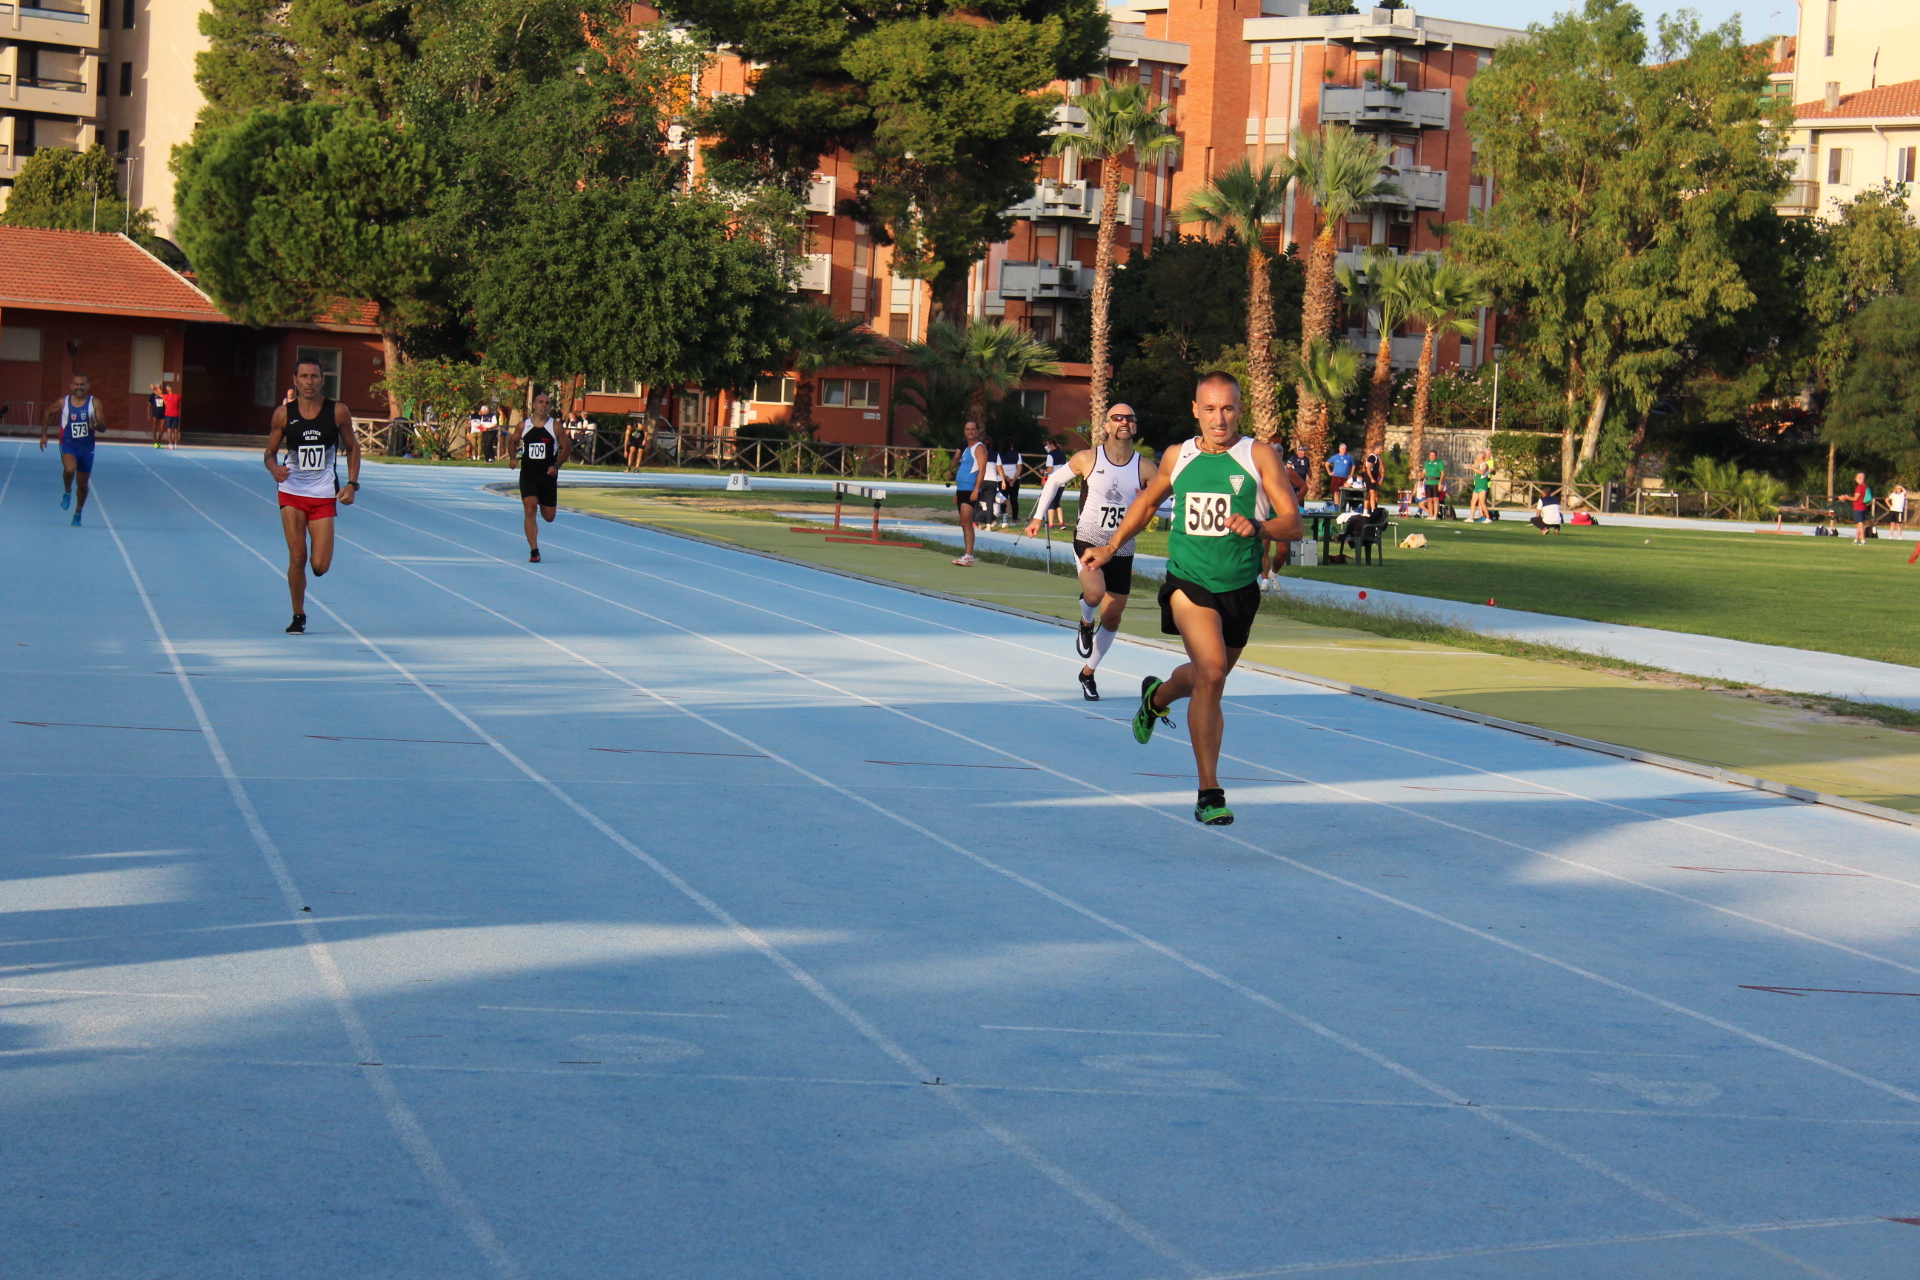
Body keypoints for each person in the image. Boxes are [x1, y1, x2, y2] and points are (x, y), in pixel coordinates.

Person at [1082, 373, 1303, 826]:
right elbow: (1147, 504)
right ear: (1195, 411)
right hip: (1188, 582)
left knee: (1206, 678)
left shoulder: (1258, 455)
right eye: (1210, 409)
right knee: (1213, 672)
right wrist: (1109, 547)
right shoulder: (1177, 455)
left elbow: (1293, 524)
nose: (1219, 419)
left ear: (1240, 410)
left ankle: (1156, 697)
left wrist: (1259, 527)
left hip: (1239, 588)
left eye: (1228, 409)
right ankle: (1209, 793)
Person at [1027, 404, 1156, 701]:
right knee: (1095, 594)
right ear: (1107, 425)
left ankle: (1088, 672)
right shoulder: (1088, 458)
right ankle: (1086, 622)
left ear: (1135, 426)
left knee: (1112, 619)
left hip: (1122, 546)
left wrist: (1149, 499)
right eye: (1117, 418)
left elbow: (1163, 505)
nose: (1124, 422)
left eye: (1129, 418)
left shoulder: (1146, 468)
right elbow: (1055, 480)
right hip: (1088, 537)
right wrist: (1037, 517)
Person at [265, 356, 360, 634]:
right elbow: (269, 452)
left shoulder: (337, 411)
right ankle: (298, 615)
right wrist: (274, 468)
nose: (309, 382)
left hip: (322, 494)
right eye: (304, 377)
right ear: (295, 380)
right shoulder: (283, 414)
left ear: (322, 379)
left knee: (319, 565)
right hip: (292, 491)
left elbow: (353, 447)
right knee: (297, 556)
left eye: (314, 376)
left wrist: (352, 484)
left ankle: (313, 573)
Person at [507, 390, 570, 563]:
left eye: (547, 403)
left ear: (550, 408)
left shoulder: (555, 426)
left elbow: (566, 448)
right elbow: (512, 441)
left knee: (549, 517)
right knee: (530, 509)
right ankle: (534, 551)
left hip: (547, 476)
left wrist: (556, 465)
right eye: (540, 402)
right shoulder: (523, 425)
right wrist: (513, 458)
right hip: (528, 474)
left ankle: (541, 499)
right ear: (534, 405)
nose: (543, 405)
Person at [41, 374, 101, 526]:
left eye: (82, 384)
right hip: (68, 444)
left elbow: (103, 426)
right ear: (71, 386)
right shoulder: (64, 402)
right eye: (76, 384)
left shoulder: (94, 403)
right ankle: (67, 490)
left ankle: (78, 512)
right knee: (69, 468)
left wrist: (95, 424)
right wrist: (44, 435)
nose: (79, 387)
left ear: (87, 386)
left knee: (82, 484)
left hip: (87, 448)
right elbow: (47, 412)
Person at [951, 420, 991, 566]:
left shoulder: (979, 448)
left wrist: (976, 489)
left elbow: (982, 469)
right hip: (962, 489)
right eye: (967, 429)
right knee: (963, 522)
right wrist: (957, 492)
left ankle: (969, 556)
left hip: (970, 489)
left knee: (967, 521)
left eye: (973, 429)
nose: (970, 432)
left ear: (978, 431)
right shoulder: (966, 449)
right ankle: (967, 554)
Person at [1036, 438, 1072, 531]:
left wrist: (1043, 471)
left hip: (1053, 481)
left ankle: (1051, 524)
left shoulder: (1050, 455)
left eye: (1047, 445)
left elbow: (1050, 469)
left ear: (1051, 444)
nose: (1046, 447)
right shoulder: (1062, 454)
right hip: (1062, 482)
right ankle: (1061, 523)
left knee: (1051, 503)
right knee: (1057, 503)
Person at [996, 437, 1024, 528]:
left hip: (1002, 479)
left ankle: (1004, 520)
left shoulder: (999, 455)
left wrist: (1006, 478)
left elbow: (999, 468)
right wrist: (1014, 479)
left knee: (1003, 500)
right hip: (1015, 479)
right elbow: (1019, 468)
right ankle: (1014, 520)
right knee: (1014, 500)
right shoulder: (1017, 455)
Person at [1325, 442, 1357, 507]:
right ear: (1339, 449)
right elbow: (1327, 464)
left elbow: (1353, 465)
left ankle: (1342, 505)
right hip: (1336, 476)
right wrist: (1329, 472)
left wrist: (1351, 474)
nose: (1344, 450)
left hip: (1345, 477)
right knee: (1336, 492)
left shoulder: (1348, 457)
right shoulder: (1335, 457)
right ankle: (1337, 506)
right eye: (1343, 449)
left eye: (1345, 449)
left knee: (1343, 492)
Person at [1422, 451, 1447, 519]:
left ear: (1436, 456)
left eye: (1433, 455)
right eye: (1431, 455)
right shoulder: (1427, 463)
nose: (1432, 457)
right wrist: (1421, 479)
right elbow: (1424, 472)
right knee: (1429, 499)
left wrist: (1440, 483)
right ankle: (1431, 515)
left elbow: (1443, 473)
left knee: (1435, 499)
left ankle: (1435, 515)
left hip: (1436, 482)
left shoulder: (1439, 462)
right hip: (1428, 482)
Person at [1469, 451, 1493, 522]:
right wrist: (1474, 467)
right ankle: (1471, 517)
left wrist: (1472, 468)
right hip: (1477, 486)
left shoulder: (1485, 465)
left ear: (1481, 458)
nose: (1476, 458)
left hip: (1482, 486)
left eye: (1478, 457)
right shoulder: (1479, 465)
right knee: (1473, 501)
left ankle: (1488, 518)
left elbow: (1482, 472)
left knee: (1482, 502)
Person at [1851, 472, 1872, 545]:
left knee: (1860, 524)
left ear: (1860, 478)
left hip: (1858, 507)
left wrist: (1846, 497)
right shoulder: (1866, 486)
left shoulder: (1860, 486)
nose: (1855, 479)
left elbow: (1855, 498)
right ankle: (1856, 540)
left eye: (1856, 477)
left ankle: (1863, 540)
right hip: (1863, 507)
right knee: (1859, 525)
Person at [160, 381, 183, 449]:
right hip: (176, 414)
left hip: (168, 414)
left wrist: (154, 388)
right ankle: (175, 444)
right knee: (176, 430)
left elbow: (159, 394)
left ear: (167, 389)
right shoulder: (178, 396)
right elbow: (179, 404)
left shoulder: (166, 396)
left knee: (169, 429)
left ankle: (170, 444)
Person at [147, 382, 167, 449]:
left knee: (162, 428)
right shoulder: (153, 395)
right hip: (155, 413)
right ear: (156, 388)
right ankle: (155, 442)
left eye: (160, 387)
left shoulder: (164, 395)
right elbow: (149, 405)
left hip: (163, 413)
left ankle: (159, 442)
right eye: (158, 387)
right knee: (155, 427)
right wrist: (148, 414)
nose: (159, 388)